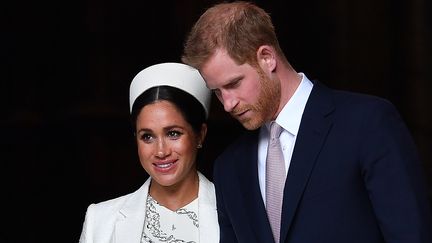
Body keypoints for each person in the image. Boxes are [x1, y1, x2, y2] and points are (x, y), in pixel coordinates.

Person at [181, 1, 432, 243]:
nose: (227, 103)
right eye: (217, 91)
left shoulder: (367, 124)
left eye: (233, 84)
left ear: (267, 57)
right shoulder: (229, 168)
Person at [79, 62, 219, 243]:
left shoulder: (235, 213)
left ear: (200, 135)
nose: (161, 151)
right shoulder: (100, 221)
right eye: (147, 137)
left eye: (173, 133)